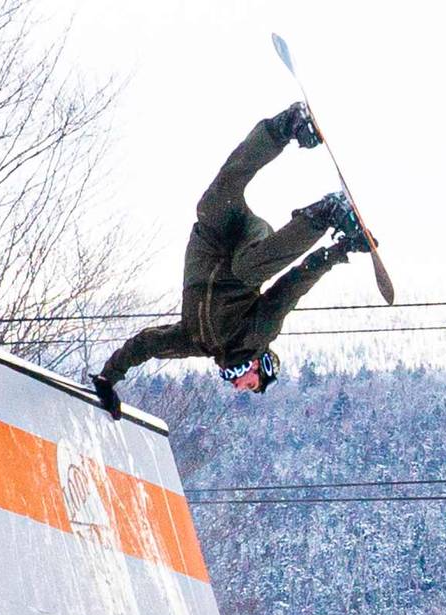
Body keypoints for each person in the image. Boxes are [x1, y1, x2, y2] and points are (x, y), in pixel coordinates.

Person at [90, 102, 369, 415]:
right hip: (246, 243)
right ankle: (297, 151)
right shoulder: (257, 334)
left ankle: (302, 169)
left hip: (214, 239)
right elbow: (291, 287)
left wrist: (107, 377)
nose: (237, 386)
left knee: (210, 202)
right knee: (245, 267)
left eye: (240, 387)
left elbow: (145, 345)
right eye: (249, 383)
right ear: (257, 365)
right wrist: (336, 252)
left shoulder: (194, 342)